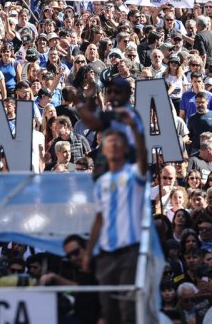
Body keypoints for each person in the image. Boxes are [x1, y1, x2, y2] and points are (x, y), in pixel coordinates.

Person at [84, 106, 149, 324]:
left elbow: (143, 158)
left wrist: (133, 128)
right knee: (109, 310)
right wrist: (88, 251)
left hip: (128, 252)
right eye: (108, 143)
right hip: (105, 254)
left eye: (116, 143)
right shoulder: (102, 182)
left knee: (128, 309)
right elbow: (99, 218)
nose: (112, 146)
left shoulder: (133, 174)